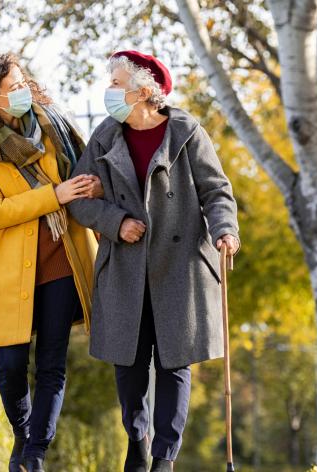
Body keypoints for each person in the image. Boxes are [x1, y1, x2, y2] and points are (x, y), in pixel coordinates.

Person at [66, 50, 241, 472]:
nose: (109, 91)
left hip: (178, 265)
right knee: (128, 365)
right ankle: (137, 438)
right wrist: (115, 221)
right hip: (125, 266)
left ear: (145, 92)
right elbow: (77, 199)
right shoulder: (105, 136)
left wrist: (225, 230)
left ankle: (164, 456)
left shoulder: (186, 131)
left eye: (116, 84)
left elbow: (217, 191)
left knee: (174, 364)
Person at [0, 53, 102, 472]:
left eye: (22, 82)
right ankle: (23, 433)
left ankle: (35, 454)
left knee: (52, 362)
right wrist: (54, 196)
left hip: (63, 256)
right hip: (9, 267)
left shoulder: (53, 125)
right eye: (11, 88)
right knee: (12, 364)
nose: (22, 91)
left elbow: (85, 175)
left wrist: (90, 187)